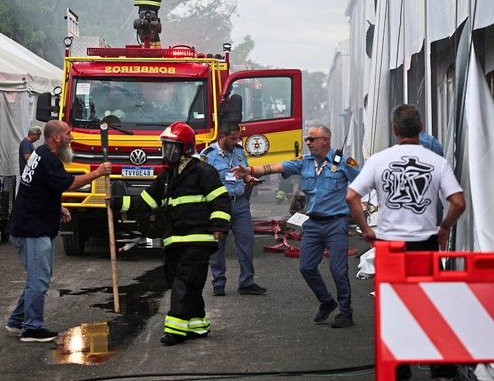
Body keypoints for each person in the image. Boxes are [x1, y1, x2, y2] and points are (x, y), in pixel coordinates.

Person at [345, 104, 466, 380]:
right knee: (432, 304)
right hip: (425, 244)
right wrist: (444, 226)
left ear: (394, 129)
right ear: (421, 128)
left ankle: (399, 369)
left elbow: (352, 196)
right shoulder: (437, 162)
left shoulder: (378, 160)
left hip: (390, 247)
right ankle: (440, 366)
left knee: (393, 307)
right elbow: (458, 202)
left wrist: (366, 229)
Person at [232, 125, 361, 329]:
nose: (307, 143)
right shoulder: (305, 163)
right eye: (307, 139)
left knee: (338, 271)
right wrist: (250, 170)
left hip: (336, 224)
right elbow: (277, 167)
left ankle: (346, 312)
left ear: (325, 140)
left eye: (312, 139)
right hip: (314, 224)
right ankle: (326, 301)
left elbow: (361, 182)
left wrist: (360, 206)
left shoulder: (343, 162)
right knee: (306, 267)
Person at [114, 121, 231, 345]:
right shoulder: (167, 177)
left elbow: (221, 200)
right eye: (165, 146)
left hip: (197, 239)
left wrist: (218, 226)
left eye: (172, 147)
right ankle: (197, 325)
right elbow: (145, 201)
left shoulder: (203, 171)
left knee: (183, 282)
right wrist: (118, 203)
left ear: (185, 149)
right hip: (174, 240)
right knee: (189, 284)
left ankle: (175, 329)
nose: (167, 152)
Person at [6, 120, 112, 343]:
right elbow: (69, 183)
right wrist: (98, 172)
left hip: (30, 224)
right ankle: (32, 328)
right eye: (68, 133)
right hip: (32, 229)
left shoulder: (43, 155)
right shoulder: (46, 159)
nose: (71, 137)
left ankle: (17, 320)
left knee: (37, 278)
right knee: (39, 280)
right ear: (57, 138)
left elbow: (38, 190)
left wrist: (57, 207)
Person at [200, 121, 266, 297]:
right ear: (221, 136)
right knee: (218, 244)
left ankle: (247, 282)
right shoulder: (208, 155)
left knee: (247, 241)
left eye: (238, 138)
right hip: (219, 205)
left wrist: (250, 179)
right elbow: (201, 182)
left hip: (240, 204)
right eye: (233, 138)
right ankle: (218, 283)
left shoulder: (238, 152)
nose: (237, 141)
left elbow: (244, 173)